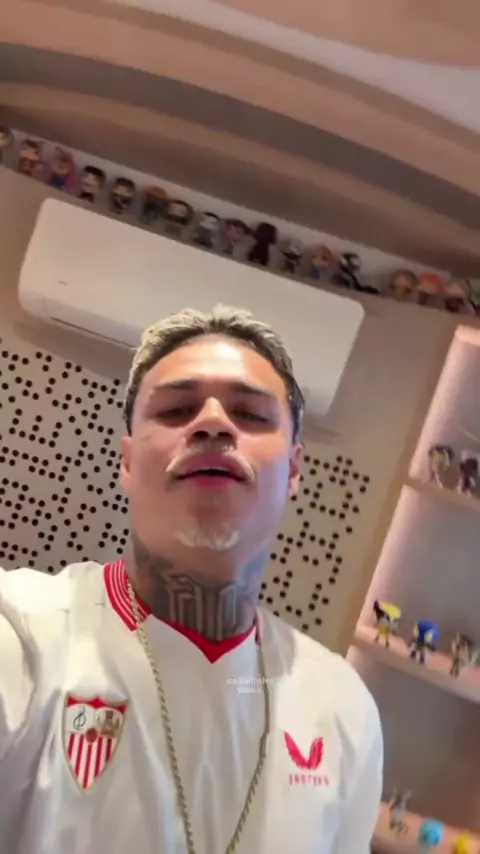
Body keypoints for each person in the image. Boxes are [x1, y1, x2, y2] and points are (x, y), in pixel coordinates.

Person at [0, 304, 383, 853]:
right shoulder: (23, 635)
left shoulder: (344, 708)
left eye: (250, 414)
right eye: (177, 409)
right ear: (127, 463)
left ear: (295, 471)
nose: (213, 423)